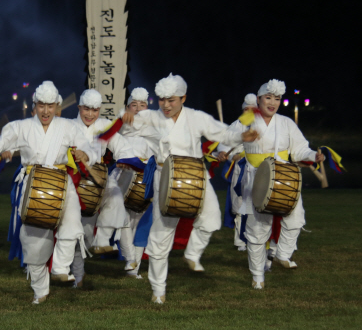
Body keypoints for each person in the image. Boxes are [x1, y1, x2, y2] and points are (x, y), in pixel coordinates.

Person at [121, 73, 257, 303]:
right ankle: (158, 290)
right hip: (165, 176)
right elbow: (125, 127)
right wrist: (125, 120)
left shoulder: (196, 117)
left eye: (171, 100)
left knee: (212, 218)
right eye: (162, 99)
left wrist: (242, 135)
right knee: (161, 235)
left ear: (183, 98)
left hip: (196, 175)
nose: (165, 105)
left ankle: (192, 253)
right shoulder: (150, 117)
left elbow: (221, 132)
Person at [0, 81, 99, 304]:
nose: (46, 111)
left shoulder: (69, 127)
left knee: (73, 226)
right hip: (33, 184)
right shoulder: (20, 127)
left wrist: (85, 154)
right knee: (33, 243)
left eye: (50, 106)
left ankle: (61, 267)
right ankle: (40, 290)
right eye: (41, 105)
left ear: (57, 106)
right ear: (35, 105)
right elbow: (0, 143)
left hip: (62, 182)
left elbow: (89, 148)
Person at [228, 79, 324, 289]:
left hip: (284, 179)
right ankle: (257, 276)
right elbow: (226, 142)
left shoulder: (286, 123)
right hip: (255, 179)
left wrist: (312, 156)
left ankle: (281, 254)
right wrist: (233, 147)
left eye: (277, 99)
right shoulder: (247, 119)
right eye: (268, 98)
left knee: (296, 218)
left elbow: (300, 149)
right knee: (257, 229)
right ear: (259, 99)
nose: (272, 103)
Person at [69, 89, 134, 287]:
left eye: (95, 110)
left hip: (101, 177)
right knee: (81, 233)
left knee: (115, 199)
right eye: (86, 109)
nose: (90, 114)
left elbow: (122, 145)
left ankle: (102, 241)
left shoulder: (105, 125)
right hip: (77, 183)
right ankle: (78, 275)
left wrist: (123, 159)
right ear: (79, 107)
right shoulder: (68, 127)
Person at [117, 87, 156, 279]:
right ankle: (129, 259)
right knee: (123, 219)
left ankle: (135, 266)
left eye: (143, 105)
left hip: (147, 178)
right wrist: (121, 117)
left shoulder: (155, 127)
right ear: (127, 108)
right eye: (134, 105)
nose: (139, 109)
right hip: (123, 176)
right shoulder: (122, 123)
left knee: (141, 222)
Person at [214, 93, 257, 252]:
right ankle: (240, 241)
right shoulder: (235, 126)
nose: (249, 112)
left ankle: (256, 240)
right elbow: (224, 147)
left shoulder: (264, 126)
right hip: (239, 170)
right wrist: (225, 154)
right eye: (246, 109)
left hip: (259, 170)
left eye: (252, 109)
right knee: (239, 206)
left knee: (258, 205)